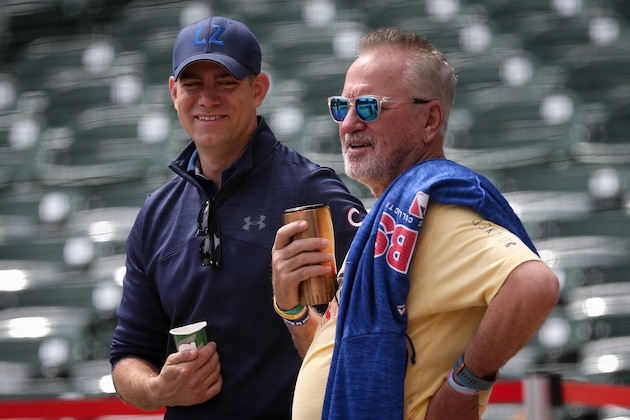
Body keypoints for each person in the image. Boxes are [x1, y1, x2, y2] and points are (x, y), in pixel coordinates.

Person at [271, 27, 560, 419]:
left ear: (430, 120)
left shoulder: (433, 212)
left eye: (370, 107)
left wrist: (466, 383)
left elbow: (534, 285)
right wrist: (295, 312)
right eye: (342, 106)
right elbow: (345, 365)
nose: (350, 123)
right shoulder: (392, 221)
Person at [109, 16, 366, 419]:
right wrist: (160, 387)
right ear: (174, 92)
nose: (207, 98)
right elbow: (127, 357)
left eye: (225, 81)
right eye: (193, 83)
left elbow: (367, 338)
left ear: (257, 89)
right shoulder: (155, 214)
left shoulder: (311, 193)